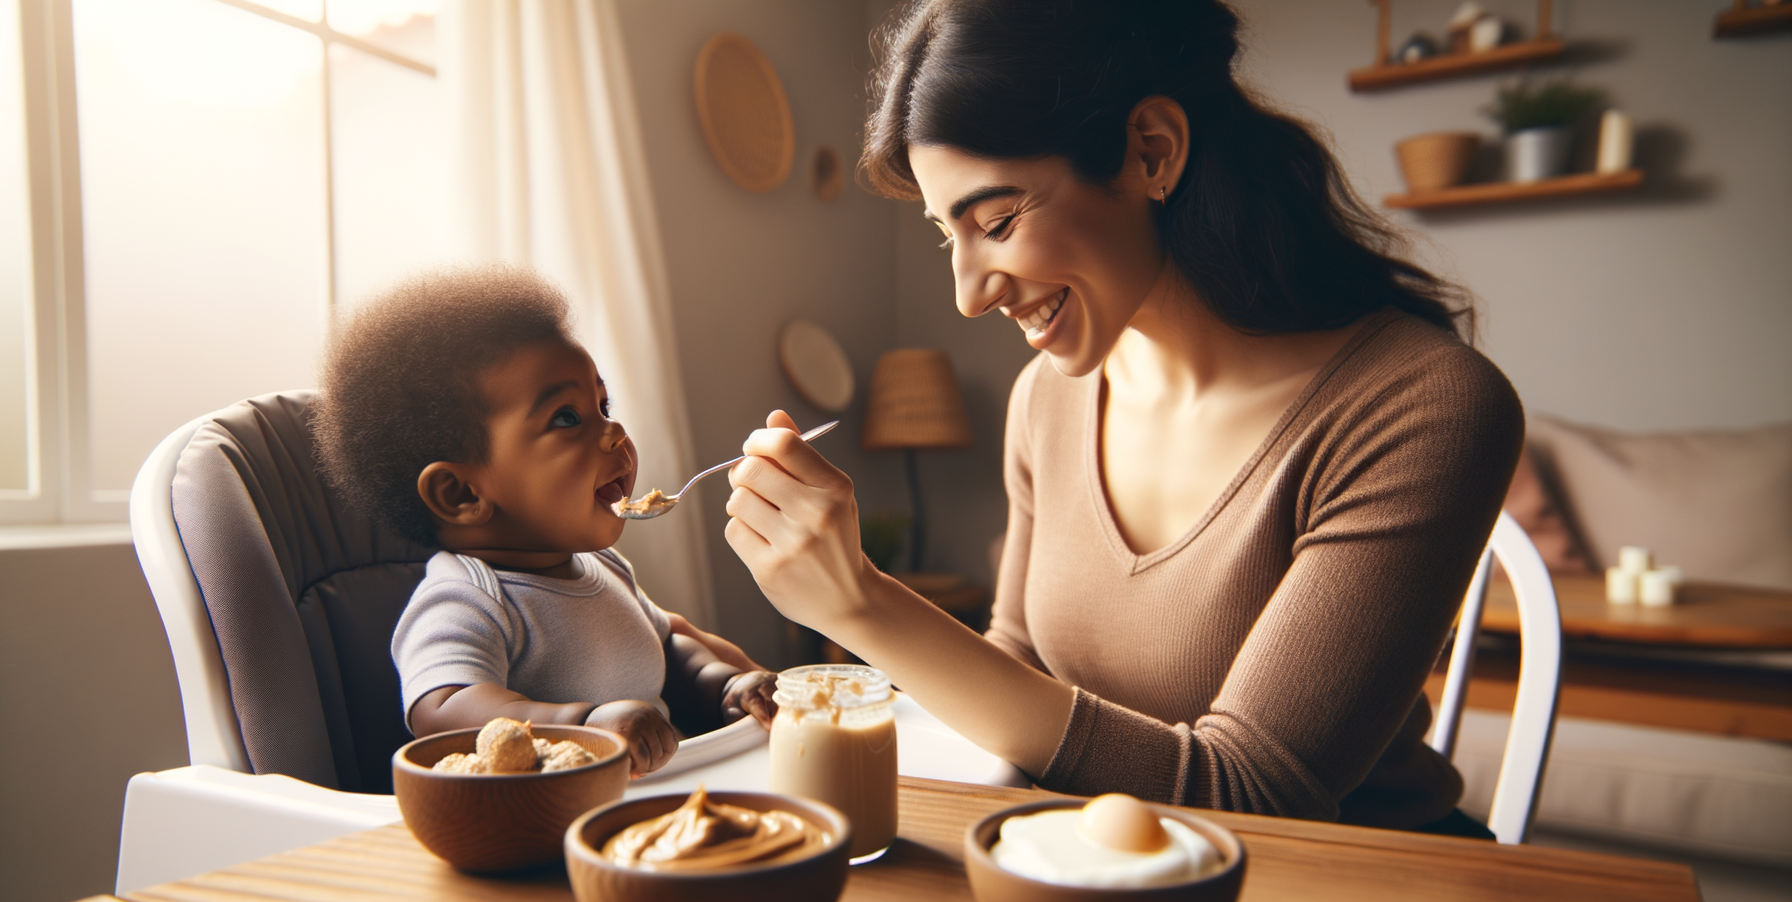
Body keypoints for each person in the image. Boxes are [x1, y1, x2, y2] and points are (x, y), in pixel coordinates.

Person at [723, 0, 1522, 835]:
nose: (967, 295)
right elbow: (1020, 661)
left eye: (997, 221)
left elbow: (1251, 795)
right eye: (945, 236)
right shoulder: (1047, 397)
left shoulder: (1422, 406)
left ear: (1151, 151)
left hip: (1358, 897)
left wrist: (864, 606)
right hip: (1085, 873)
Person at [313, 267, 777, 777]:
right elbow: (442, 709)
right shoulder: (468, 597)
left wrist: (725, 684)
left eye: (604, 405)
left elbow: (665, 645)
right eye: (567, 417)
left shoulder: (604, 566)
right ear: (462, 493)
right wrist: (584, 723)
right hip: (557, 826)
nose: (615, 432)